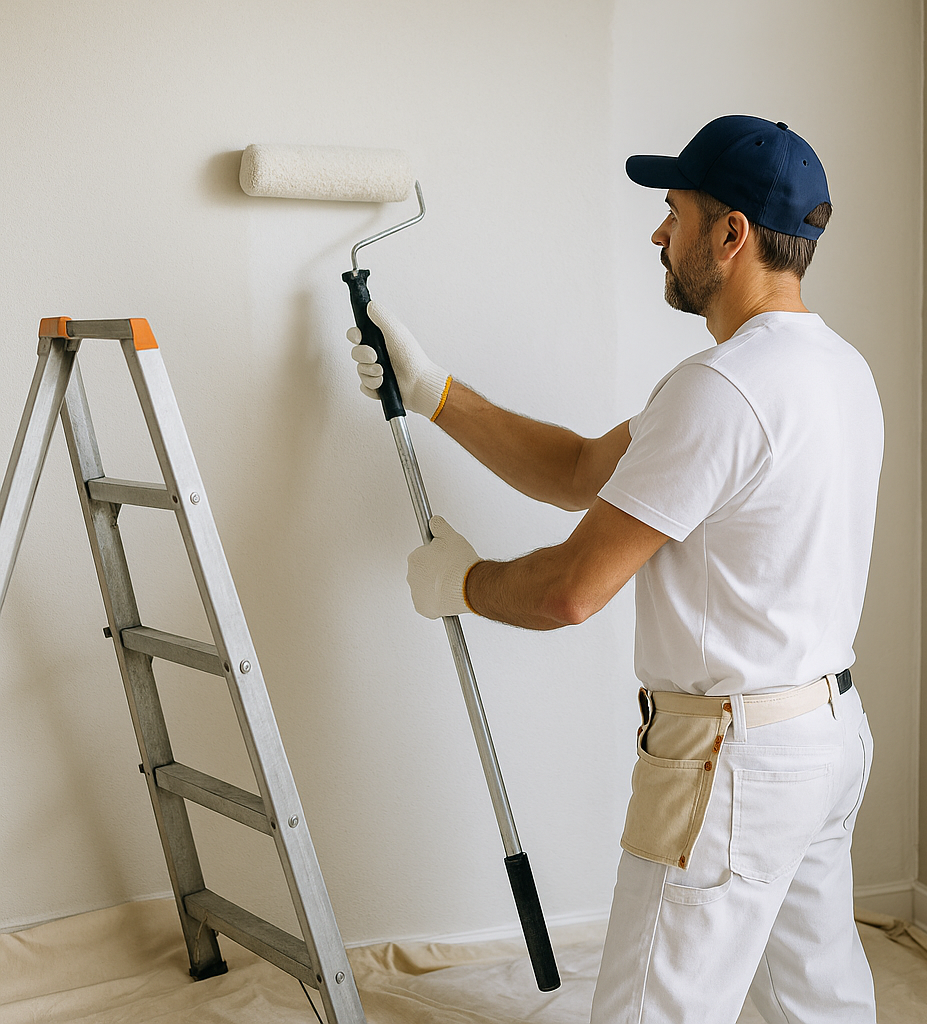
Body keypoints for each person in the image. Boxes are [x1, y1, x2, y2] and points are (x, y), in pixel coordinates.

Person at [348, 115, 883, 1024]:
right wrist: (435, 388)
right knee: (818, 1007)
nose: (657, 234)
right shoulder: (837, 370)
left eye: (673, 212)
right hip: (823, 736)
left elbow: (569, 591)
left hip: (731, 760)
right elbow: (583, 471)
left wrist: (462, 584)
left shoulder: (721, 390)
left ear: (731, 234)